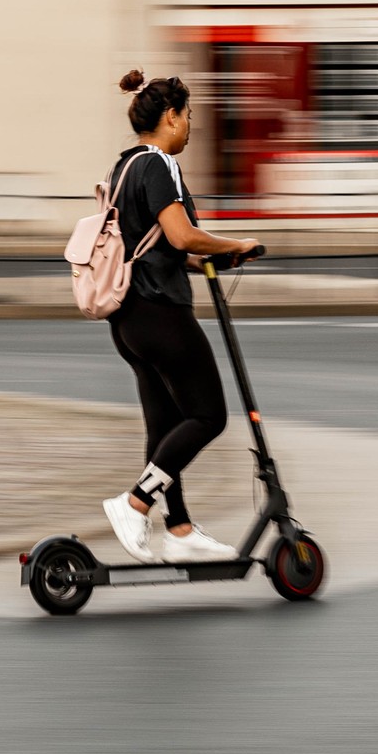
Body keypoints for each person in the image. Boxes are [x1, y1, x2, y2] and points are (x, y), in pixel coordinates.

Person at [101, 69, 261, 564]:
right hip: (159, 312)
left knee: (165, 427)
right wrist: (234, 242)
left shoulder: (123, 167)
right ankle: (135, 503)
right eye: (189, 116)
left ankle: (180, 528)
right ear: (171, 117)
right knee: (208, 415)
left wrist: (210, 259)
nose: (191, 125)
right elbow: (181, 235)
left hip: (128, 318)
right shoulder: (160, 164)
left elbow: (157, 248)